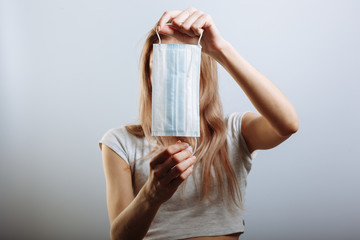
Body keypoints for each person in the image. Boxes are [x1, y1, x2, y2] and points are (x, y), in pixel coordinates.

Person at [98, 7, 299, 240]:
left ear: (202, 72)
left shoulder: (234, 132)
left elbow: (288, 124)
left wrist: (220, 49)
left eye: (182, 67)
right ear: (149, 75)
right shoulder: (120, 142)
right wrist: (152, 194)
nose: (171, 82)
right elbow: (120, 237)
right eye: (161, 68)